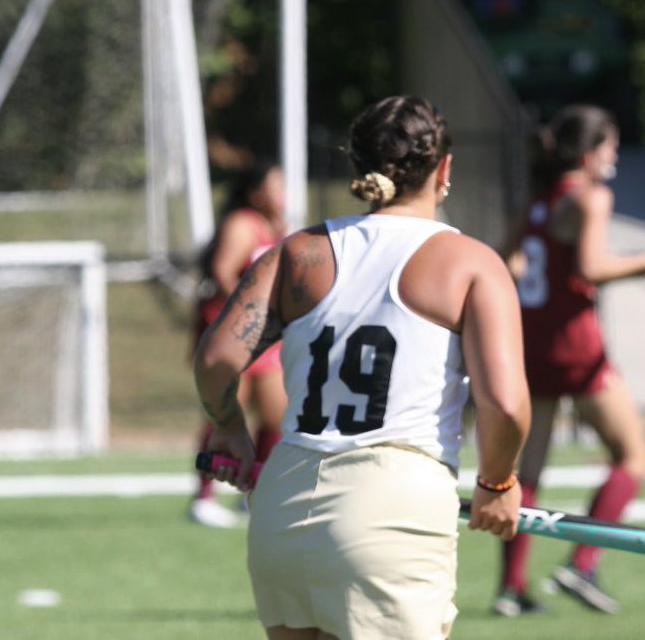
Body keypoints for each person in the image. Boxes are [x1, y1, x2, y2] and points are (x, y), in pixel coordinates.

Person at [194, 95, 531, 639]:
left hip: (285, 504)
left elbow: (214, 361)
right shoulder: (470, 262)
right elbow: (506, 405)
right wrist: (498, 481)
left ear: (359, 165)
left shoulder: (297, 252)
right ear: (443, 169)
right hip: (392, 507)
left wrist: (231, 429)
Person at [494, 104, 645, 617]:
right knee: (633, 457)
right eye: (610, 147)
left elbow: (507, 261)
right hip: (577, 347)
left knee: (526, 469)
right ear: (588, 154)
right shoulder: (591, 197)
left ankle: (511, 588)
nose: (615, 156)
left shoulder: (538, 200)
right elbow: (591, 267)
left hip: (531, 344)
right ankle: (583, 563)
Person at [188, 161, 289, 529]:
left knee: (277, 413)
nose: (284, 195)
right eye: (277, 186)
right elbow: (224, 272)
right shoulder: (242, 224)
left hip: (266, 335)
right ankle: (204, 496)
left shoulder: (277, 228)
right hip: (236, 331)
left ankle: (255, 490)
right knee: (229, 410)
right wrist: (252, 315)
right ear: (255, 192)